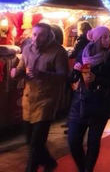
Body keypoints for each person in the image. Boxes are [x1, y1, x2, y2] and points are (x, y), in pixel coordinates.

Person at [10, 22, 68, 172]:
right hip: (29, 99)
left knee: (36, 142)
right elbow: (22, 68)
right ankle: (49, 162)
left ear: (49, 35)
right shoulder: (27, 49)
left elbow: (63, 76)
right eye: (34, 34)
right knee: (29, 140)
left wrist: (42, 74)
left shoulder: (58, 51)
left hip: (46, 100)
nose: (36, 38)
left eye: (41, 35)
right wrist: (16, 73)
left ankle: (31, 169)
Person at [67, 26, 110, 172]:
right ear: (96, 39)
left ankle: (88, 169)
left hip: (100, 103)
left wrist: (97, 79)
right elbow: (71, 79)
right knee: (73, 141)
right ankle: (83, 168)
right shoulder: (83, 54)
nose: (107, 40)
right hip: (80, 102)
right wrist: (75, 71)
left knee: (93, 142)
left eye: (108, 36)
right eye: (104, 37)